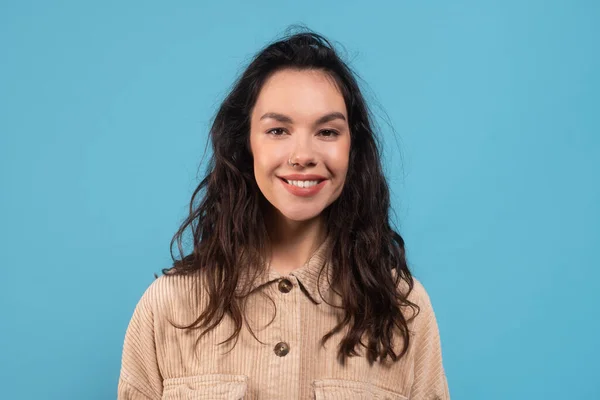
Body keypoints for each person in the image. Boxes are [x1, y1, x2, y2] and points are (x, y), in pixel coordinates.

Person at [117, 28, 450, 400]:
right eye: (278, 130)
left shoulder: (403, 308)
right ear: (246, 144)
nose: (302, 155)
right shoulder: (168, 305)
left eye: (327, 131)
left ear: (352, 149)